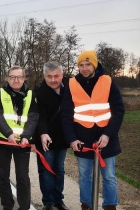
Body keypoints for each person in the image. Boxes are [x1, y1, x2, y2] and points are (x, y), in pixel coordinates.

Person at [60, 50, 124, 210]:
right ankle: (86, 206)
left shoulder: (107, 81)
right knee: (84, 177)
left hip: (106, 138)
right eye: (81, 65)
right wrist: (72, 139)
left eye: (88, 64)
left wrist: (108, 135)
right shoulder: (72, 84)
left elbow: (118, 110)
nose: (84, 68)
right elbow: (66, 115)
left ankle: (110, 206)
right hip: (82, 140)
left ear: (94, 64)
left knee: (109, 176)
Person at [0, 66, 38, 210]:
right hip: (3, 140)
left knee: (23, 178)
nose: (16, 80)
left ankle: (24, 207)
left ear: (24, 78)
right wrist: (8, 134)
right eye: (12, 77)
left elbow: (33, 118)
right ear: (7, 78)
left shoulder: (31, 95)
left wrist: (26, 136)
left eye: (19, 77)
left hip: (23, 142)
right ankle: (7, 205)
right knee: (2, 176)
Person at [34, 61, 69, 210]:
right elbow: (39, 116)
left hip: (63, 138)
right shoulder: (39, 92)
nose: (53, 80)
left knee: (59, 169)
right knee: (46, 170)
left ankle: (58, 200)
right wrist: (42, 133)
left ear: (62, 75)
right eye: (49, 76)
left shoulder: (70, 87)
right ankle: (47, 201)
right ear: (44, 76)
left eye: (56, 76)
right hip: (45, 139)